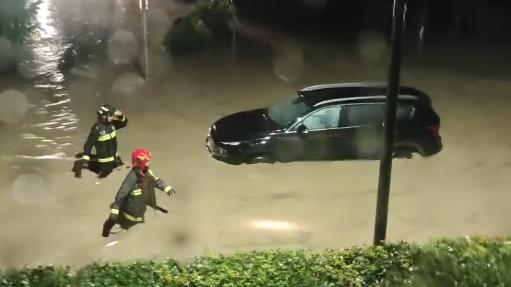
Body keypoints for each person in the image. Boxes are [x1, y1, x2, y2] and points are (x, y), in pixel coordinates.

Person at [102, 148, 176, 237]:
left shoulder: (147, 171)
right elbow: (121, 194)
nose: (149, 162)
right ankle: (124, 226)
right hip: (132, 207)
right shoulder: (131, 178)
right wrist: (115, 210)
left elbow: (155, 180)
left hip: (141, 204)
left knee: (142, 217)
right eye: (147, 161)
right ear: (141, 163)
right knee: (131, 220)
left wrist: (167, 189)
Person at [72, 104, 128, 178]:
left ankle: (116, 163)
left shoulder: (112, 124)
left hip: (114, 158)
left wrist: (121, 115)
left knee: (116, 165)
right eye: (110, 115)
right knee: (106, 172)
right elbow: (89, 144)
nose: (112, 117)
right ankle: (84, 162)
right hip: (104, 161)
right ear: (104, 116)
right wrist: (86, 158)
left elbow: (124, 123)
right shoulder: (97, 129)